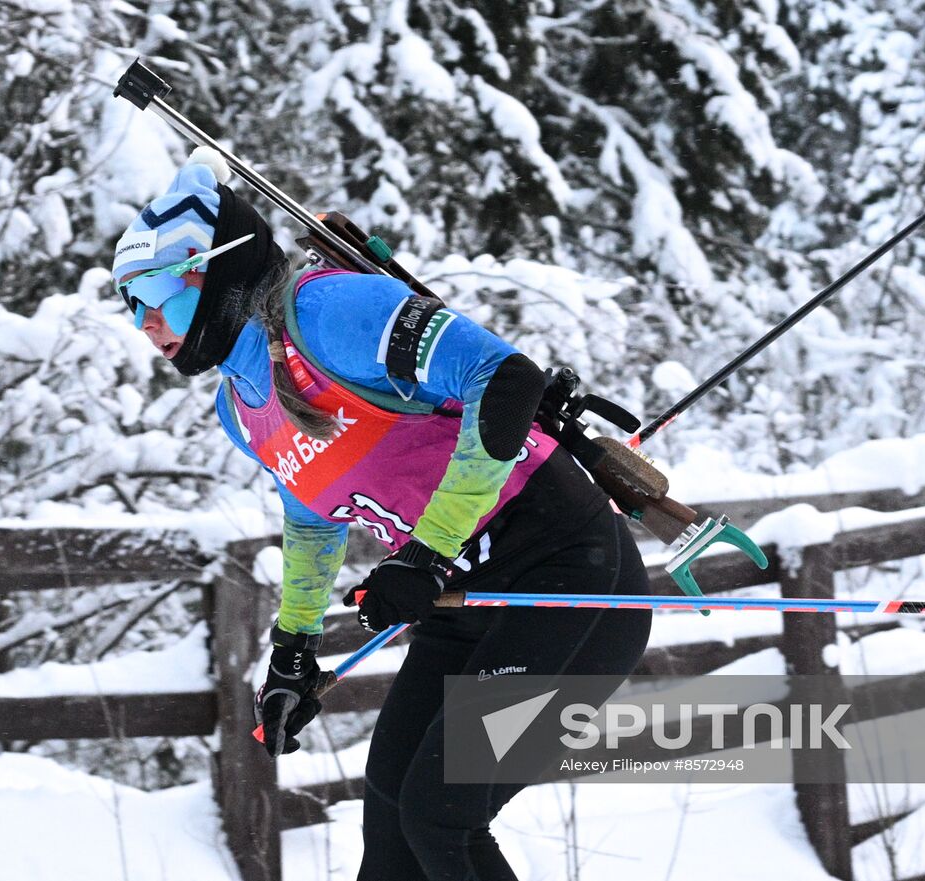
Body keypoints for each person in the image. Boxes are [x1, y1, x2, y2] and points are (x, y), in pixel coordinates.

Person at [112, 148, 654, 881]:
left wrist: (426, 553)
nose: (145, 321)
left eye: (155, 291)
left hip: (568, 577)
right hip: (464, 602)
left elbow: (504, 378)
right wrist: (293, 649)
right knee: (393, 824)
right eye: (130, 302)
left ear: (220, 266)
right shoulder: (240, 405)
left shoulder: (327, 311)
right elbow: (311, 518)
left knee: (440, 816)